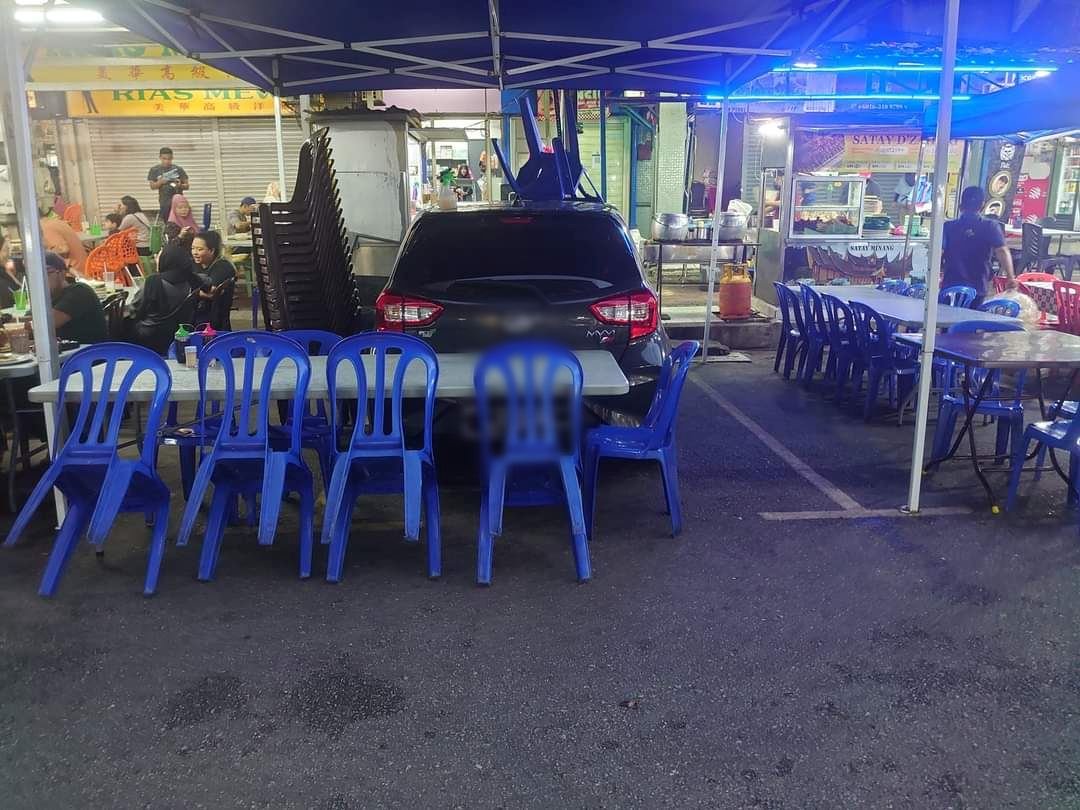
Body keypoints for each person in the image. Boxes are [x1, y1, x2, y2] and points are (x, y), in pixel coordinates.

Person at [942, 186, 1018, 303]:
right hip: (977, 287)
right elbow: (1002, 251)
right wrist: (1010, 278)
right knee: (972, 318)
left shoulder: (948, 227)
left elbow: (938, 253)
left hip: (950, 286)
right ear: (982, 205)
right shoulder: (990, 226)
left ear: (961, 205)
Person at [126, 242, 203, 354]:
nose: (156, 258)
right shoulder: (192, 280)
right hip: (180, 333)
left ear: (167, 260)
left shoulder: (154, 282)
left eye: (159, 256)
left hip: (149, 335)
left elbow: (135, 310)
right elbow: (208, 281)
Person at [46, 251, 107, 344]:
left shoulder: (79, 292)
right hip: (68, 353)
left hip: (88, 354)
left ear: (62, 273)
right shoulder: (49, 297)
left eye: (47, 273)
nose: (41, 278)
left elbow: (47, 324)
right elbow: (28, 319)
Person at [191, 231, 236, 330]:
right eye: (193, 248)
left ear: (212, 250)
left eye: (200, 249)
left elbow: (211, 292)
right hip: (195, 318)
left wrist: (190, 292)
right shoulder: (194, 265)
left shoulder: (223, 267)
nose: (195, 252)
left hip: (215, 323)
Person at [148, 146, 189, 223]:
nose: (167, 161)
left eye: (169, 159)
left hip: (178, 201)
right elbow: (152, 186)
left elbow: (187, 186)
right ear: (160, 157)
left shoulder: (178, 169)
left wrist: (180, 185)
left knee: (180, 222)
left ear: (172, 158)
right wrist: (160, 182)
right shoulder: (154, 170)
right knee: (168, 222)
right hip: (164, 202)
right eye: (164, 158)